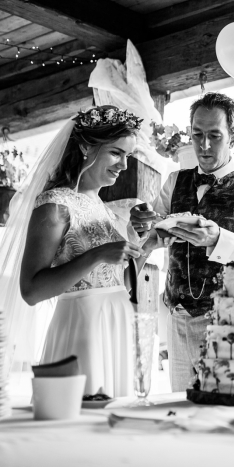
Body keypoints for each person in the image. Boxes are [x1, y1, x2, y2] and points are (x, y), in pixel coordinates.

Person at [130, 92, 234, 392]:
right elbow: (153, 235)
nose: (204, 145)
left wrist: (219, 240)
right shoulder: (174, 182)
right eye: (197, 134)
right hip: (177, 320)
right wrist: (141, 223)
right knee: (180, 409)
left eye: (215, 135)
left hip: (228, 326)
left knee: (217, 415)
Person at [3, 106, 150, 397]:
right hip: (83, 328)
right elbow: (31, 290)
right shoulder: (55, 205)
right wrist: (95, 255)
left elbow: (121, 284)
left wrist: (148, 245)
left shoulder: (102, 208)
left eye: (128, 156)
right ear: (85, 146)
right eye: (116, 153)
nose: (123, 165)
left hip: (116, 324)